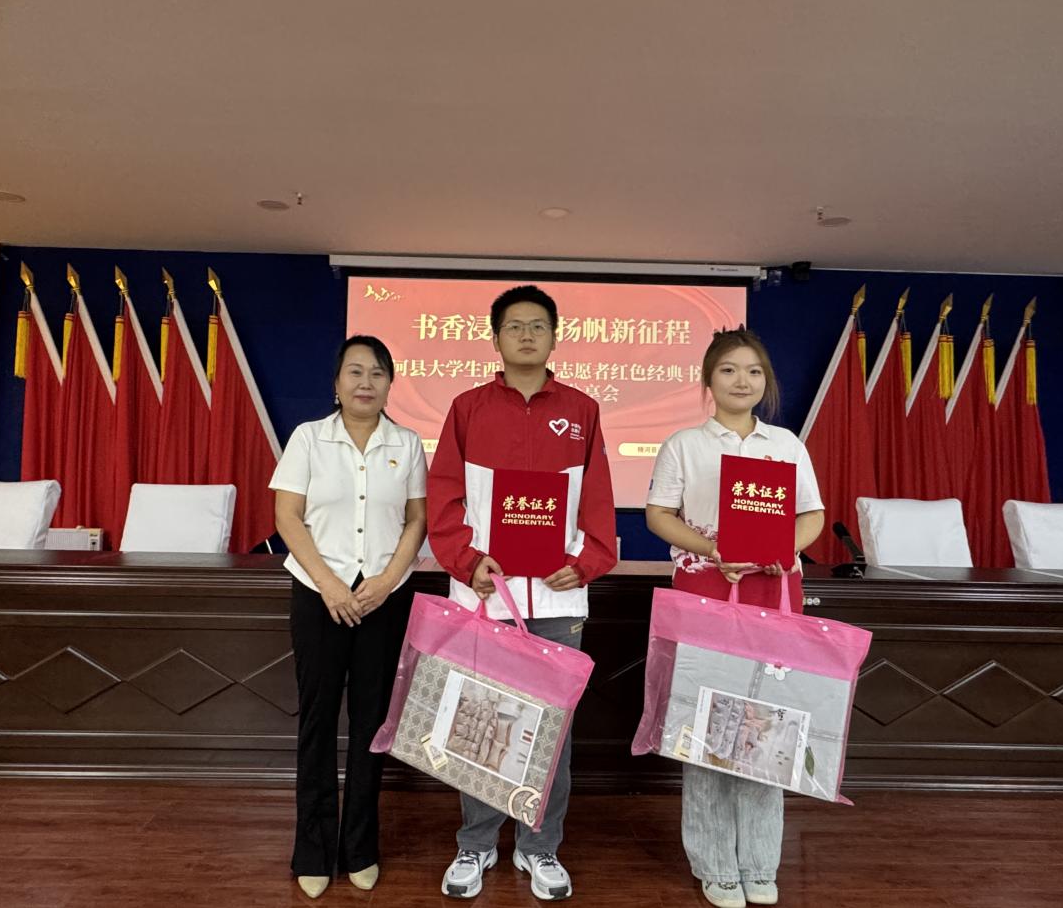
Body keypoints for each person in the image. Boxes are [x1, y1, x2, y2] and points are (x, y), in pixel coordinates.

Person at [428, 284, 618, 901]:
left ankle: (539, 848)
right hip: (485, 594)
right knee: (478, 721)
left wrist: (585, 563)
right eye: (515, 326)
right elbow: (444, 496)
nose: (527, 335)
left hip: (557, 601)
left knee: (550, 732)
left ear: (555, 338)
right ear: (496, 339)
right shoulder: (468, 408)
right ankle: (477, 843)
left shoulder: (583, 410)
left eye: (538, 325)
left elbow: (598, 501)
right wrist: (467, 562)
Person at [644, 327, 825, 908]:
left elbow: (812, 515)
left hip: (772, 592)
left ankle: (759, 862)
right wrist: (714, 548)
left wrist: (784, 548)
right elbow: (658, 514)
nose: (741, 380)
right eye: (728, 370)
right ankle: (716, 864)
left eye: (752, 371)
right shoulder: (685, 445)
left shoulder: (786, 444)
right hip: (707, 590)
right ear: (708, 380)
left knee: (768, 728)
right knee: (706, 730)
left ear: (765, 381)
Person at [270, 335, 427, 899]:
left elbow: (416, 520)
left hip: (384, 599)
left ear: (390, 383)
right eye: (355, 372)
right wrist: (331, 584)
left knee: (371, 724)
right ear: (336, 383)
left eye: (377, 373)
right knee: (317, 722)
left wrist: (384, 582)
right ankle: (312, 851)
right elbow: (288, 516)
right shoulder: (309, 438)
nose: (366, 382)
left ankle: (360, 847)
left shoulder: (407, 443)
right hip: (320, 596)